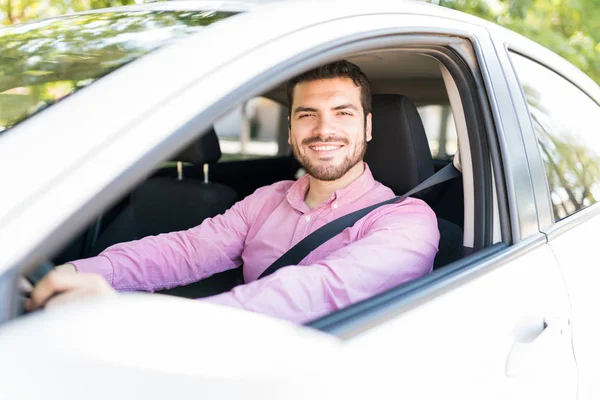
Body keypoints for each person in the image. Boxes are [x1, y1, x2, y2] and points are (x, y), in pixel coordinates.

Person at [26, 60, 440, 324]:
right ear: (292, 128)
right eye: (306, 114)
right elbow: (186, 250)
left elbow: (319, 291)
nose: (323, 129)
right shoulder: (268, 199)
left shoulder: (406, 220)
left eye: (342, 113)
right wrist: (80, 273)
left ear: (368, 128)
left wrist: (136, 323)